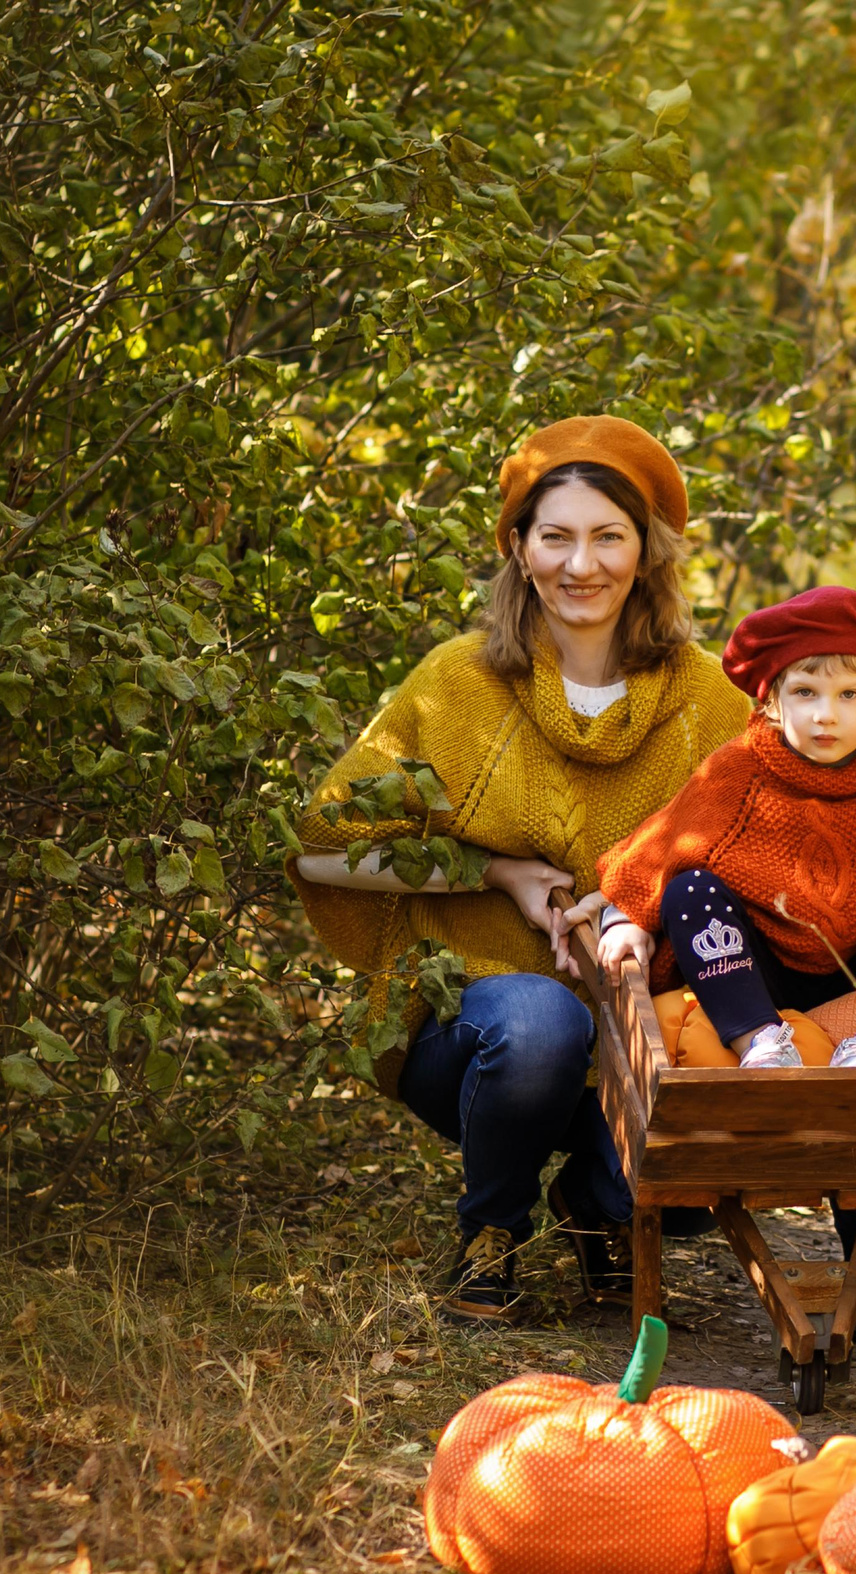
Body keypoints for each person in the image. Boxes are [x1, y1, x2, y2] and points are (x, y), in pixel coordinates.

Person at [288, 417, 748, 1323]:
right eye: (558, 535)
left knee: (710, 1161)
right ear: (518, 547)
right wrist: (492, 872)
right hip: (477, 1029)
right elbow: (320, 844)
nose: (584, 563)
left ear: (646, 550)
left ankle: (597, 1204)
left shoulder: (702, 697)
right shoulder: (459, 682)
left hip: (632, 1026)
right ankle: (490, 1227)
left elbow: (771, 834)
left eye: (609, 535)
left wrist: (633, 914)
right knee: (540, 1024)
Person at [592, 585, 856, 1071]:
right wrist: (626, 916)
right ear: (771, 702)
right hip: (757, 973)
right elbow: (658, 850)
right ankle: (760, 1044)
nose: (825, 714)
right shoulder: (738, 771)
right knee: (689, 891)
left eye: (849, 695)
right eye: (804, 692)